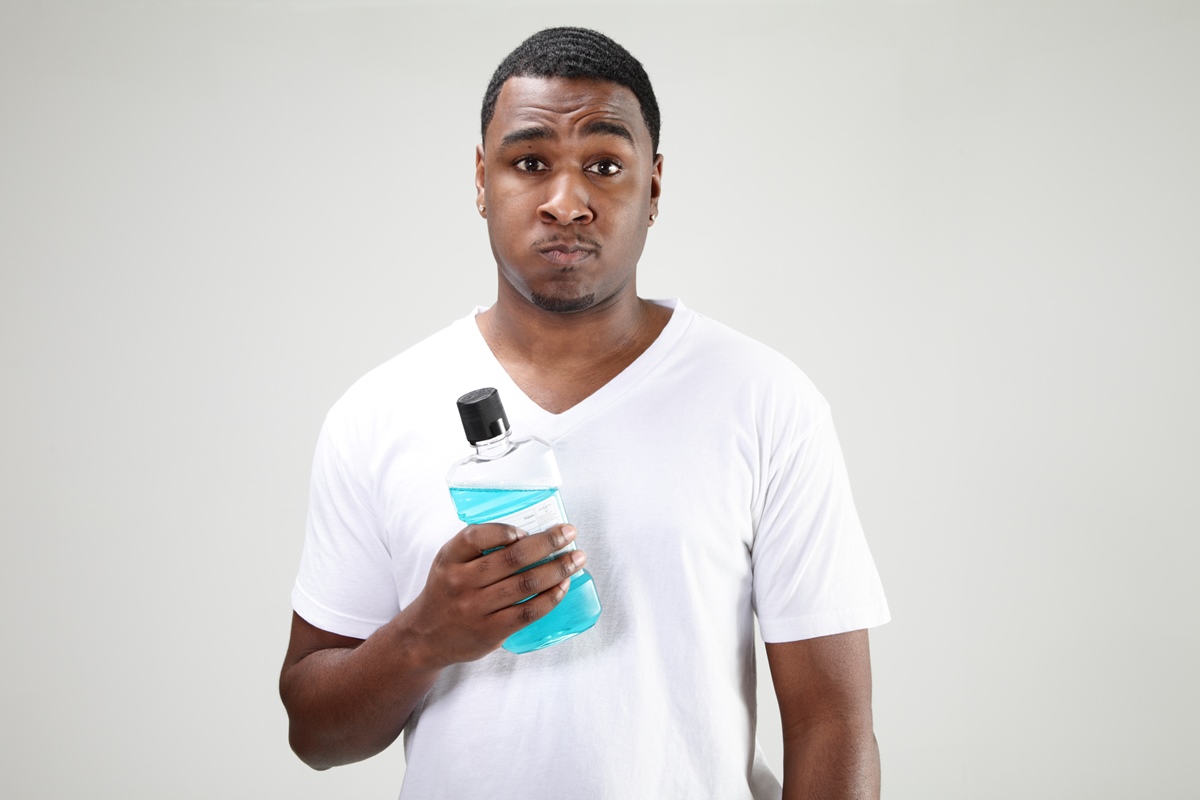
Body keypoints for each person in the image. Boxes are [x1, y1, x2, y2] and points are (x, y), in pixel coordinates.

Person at [280, 26, 890, 800]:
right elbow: (315, 734)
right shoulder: (377, 413)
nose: (566, 203)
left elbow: (830, 721)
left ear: (654, 187)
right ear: (480, 179)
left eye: (604, 165)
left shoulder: (765, 400)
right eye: (529, 162)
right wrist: (422, 638)